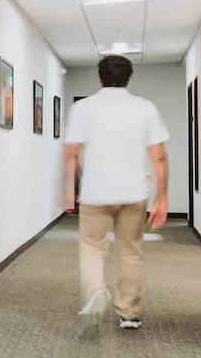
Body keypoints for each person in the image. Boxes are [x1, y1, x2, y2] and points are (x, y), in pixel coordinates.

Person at [62, 55, 169, 338]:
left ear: (99, 78)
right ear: (128, 78)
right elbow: (157, 157)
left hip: (96, 194)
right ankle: (129, 313)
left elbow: (71, 154)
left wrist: (67, 193)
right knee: (130, 251)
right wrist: (163, 198)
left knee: (92, 249)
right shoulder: (145, 108)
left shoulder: (82, 108)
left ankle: (94, 297)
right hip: (134, 193)